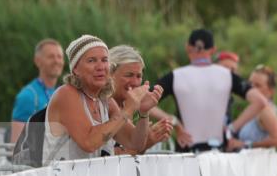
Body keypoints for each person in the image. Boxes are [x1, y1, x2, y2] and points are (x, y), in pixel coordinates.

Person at [42, 35, 157, 166]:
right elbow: (89, 142)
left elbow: (135, 144)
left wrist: (144, 112)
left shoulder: (105, 101)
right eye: (91, 61)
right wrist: (127, 110)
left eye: (104, 60)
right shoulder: (66, 94)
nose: (100, 66)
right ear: (75, 69)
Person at [156, 29, 262, 152]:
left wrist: (173, 121)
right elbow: (260, 101)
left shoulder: (175, 76)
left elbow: (143, 102)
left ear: (187, 47)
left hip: (186, 152)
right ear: (213, 50)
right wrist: (232, 128)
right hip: (219, 152)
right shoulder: (227, 75)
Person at [108, 45, 174, 154]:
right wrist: (149, 140)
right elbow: (107, 155)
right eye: (129, 75)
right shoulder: (102, 103)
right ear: (110, 74)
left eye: (138, 76)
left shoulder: (125, 104)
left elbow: (133, 149)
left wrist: (144, 111)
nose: (135, 82)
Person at [11, 39, 64, 144]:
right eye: (51, 56)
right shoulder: (28, 96)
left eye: (59, 57)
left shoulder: (61, 94)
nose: (56, 61)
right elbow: (15, 145)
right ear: (37, 61)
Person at [225, 64, 277, 150]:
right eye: (250, 84)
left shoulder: (265, 110)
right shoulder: (256, 109)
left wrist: (245, 144)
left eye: (257, 85)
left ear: (271, 91)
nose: (251, 88)